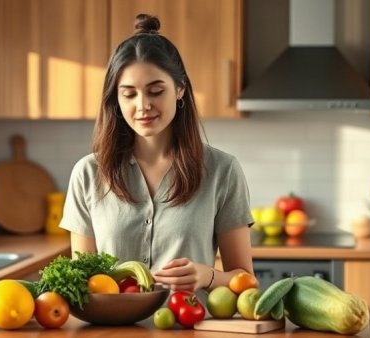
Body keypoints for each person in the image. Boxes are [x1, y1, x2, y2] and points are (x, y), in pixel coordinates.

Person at [59, 13, 255, 292]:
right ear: (116, 99)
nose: (143, 106)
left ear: (180, 89)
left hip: (190, 329)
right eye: (129, 94)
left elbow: (247, 282)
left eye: (155, 91)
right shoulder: (88, 173)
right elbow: (84, 282)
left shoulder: (223, 170)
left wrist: (209, 276)